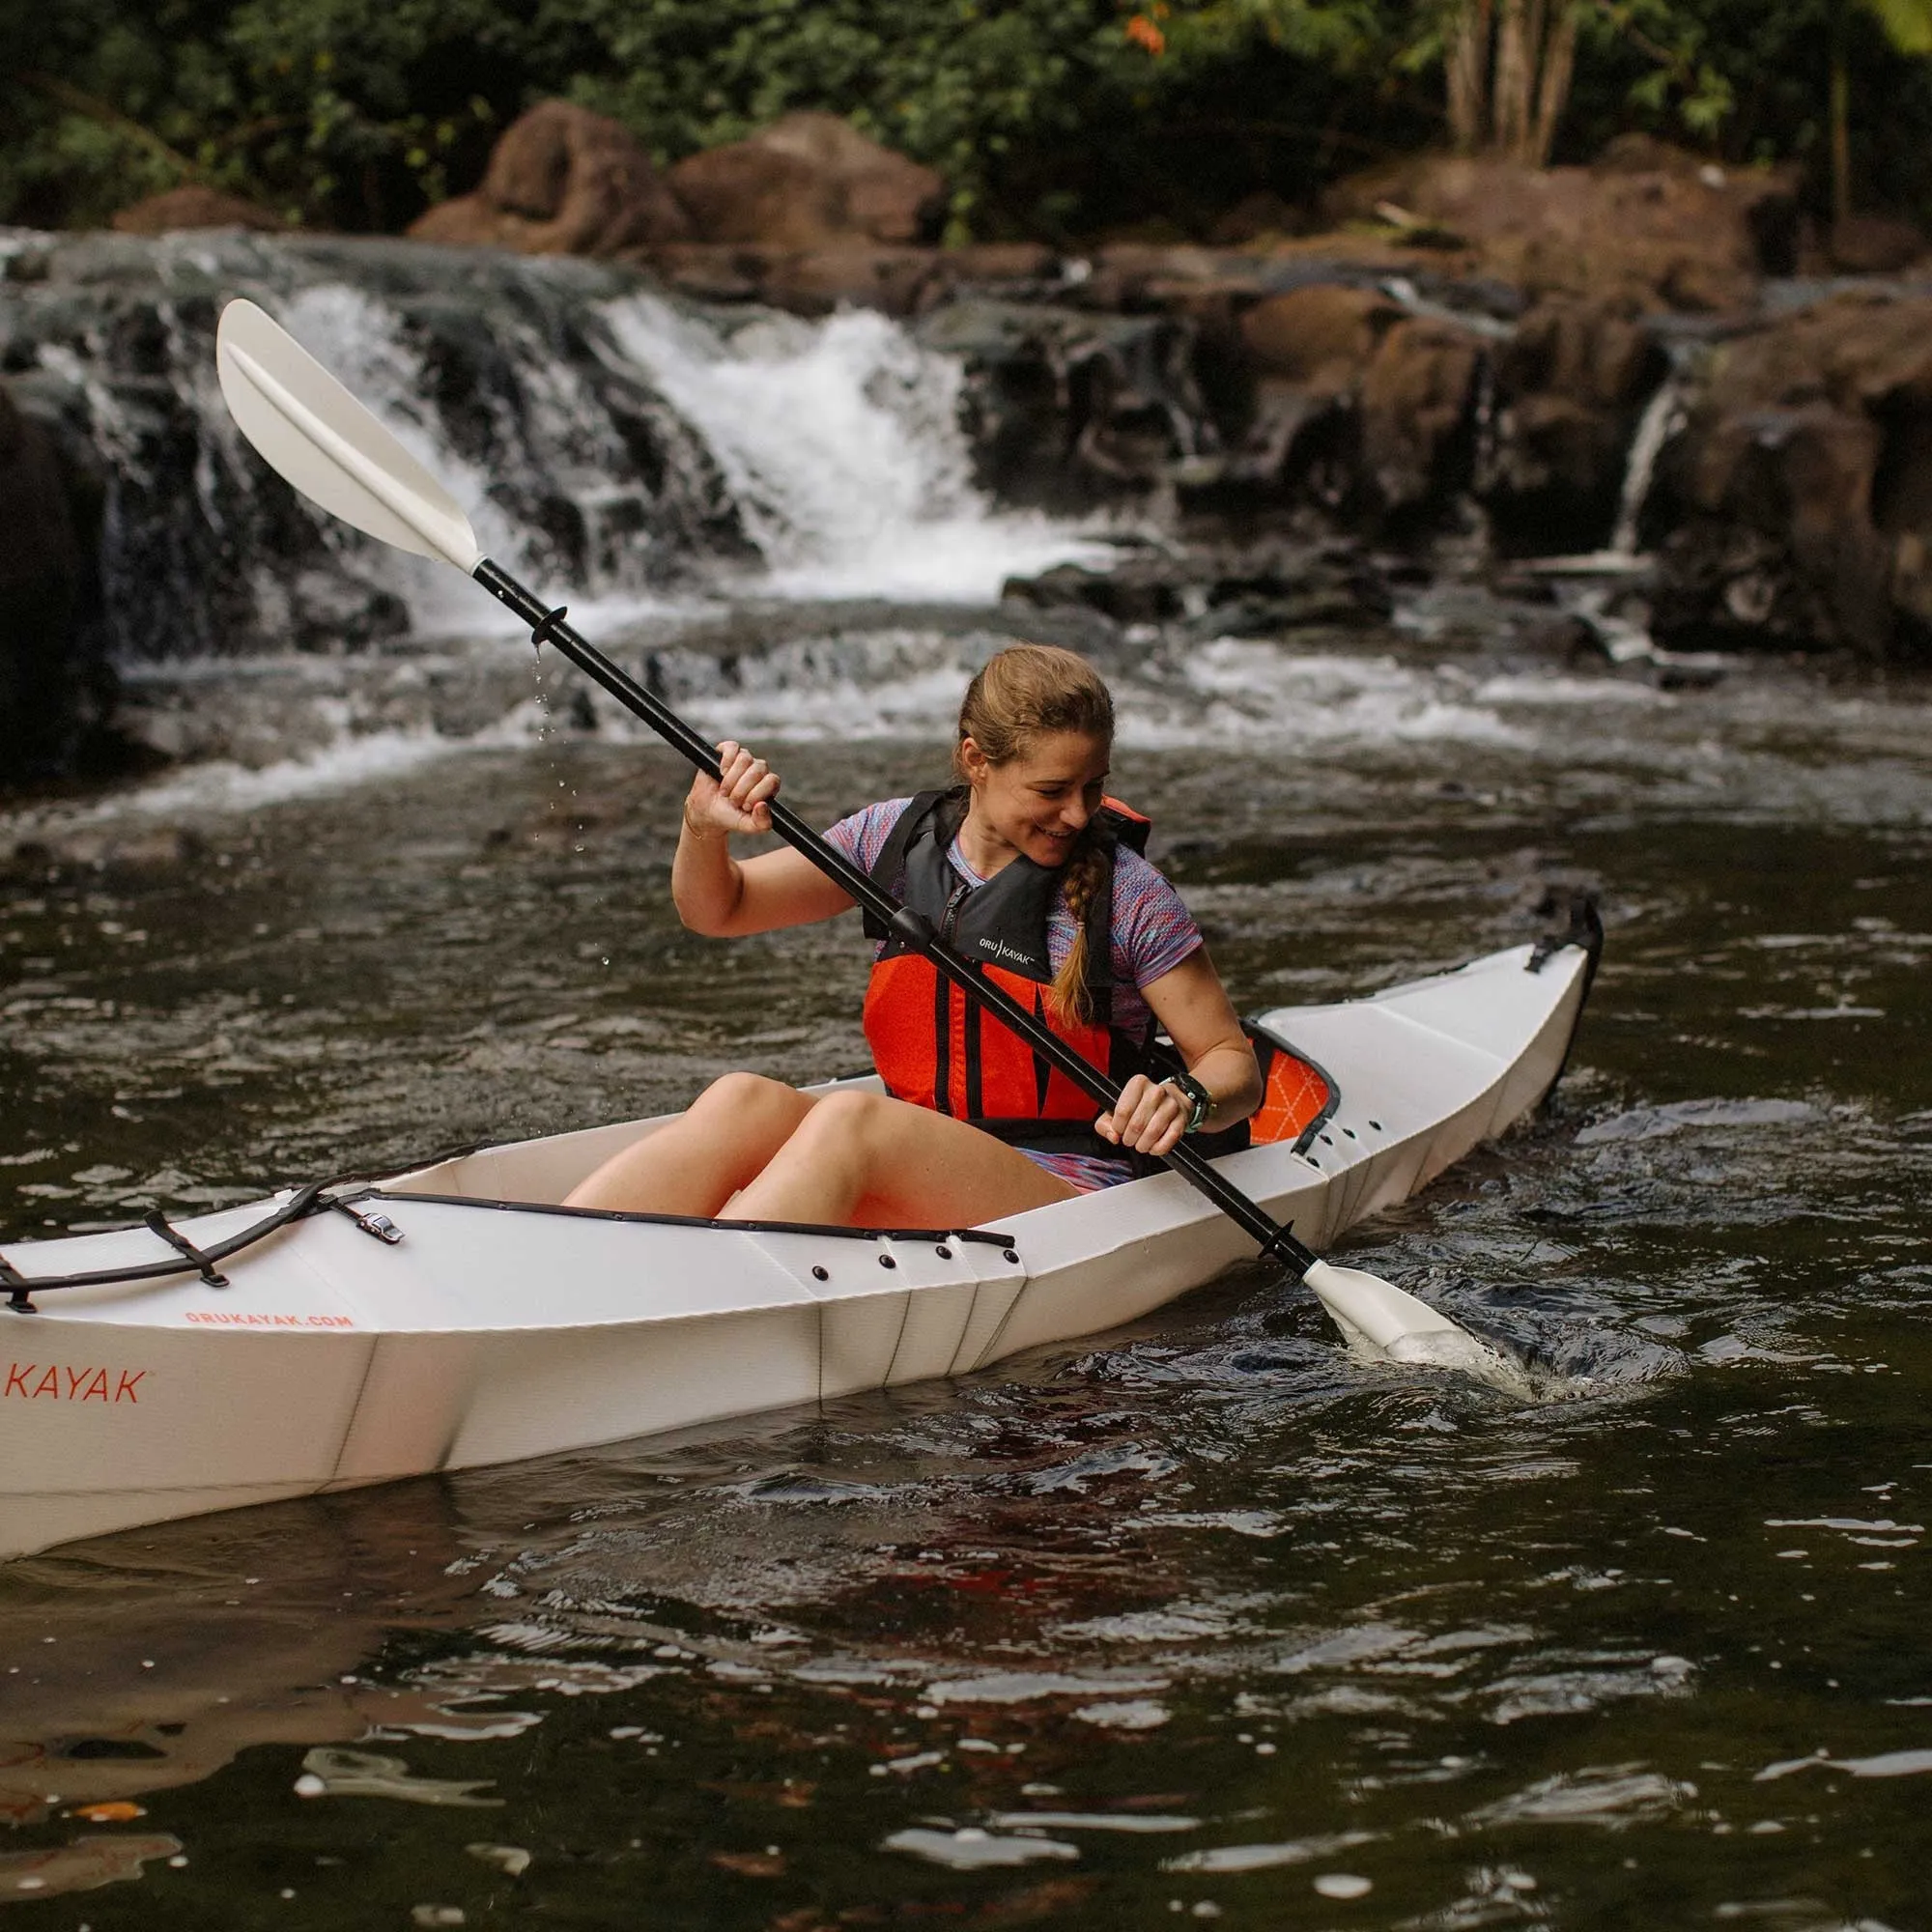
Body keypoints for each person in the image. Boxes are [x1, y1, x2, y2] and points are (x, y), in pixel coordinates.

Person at [564, 643, 1261, 1228]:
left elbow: (1233, 1064)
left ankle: (702, 1297)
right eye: (1051, 790)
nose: (1078, 814)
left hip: (1071, 1194)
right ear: (976, 761)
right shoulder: (893, 838)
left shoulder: (1131, 894)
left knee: (850, 1123)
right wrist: (702, 827)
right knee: (741, 1098)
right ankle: (559, 1263)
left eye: (1092, 785)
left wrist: (1186, 1099)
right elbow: (722, 908)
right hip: (926, 1159)